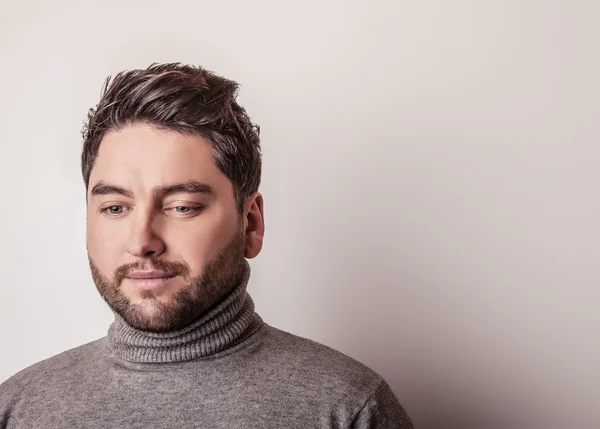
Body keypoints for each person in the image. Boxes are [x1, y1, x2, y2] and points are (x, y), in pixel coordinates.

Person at [0, 63, 413, 428]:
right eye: (114, 207)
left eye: (182, 207)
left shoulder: (348, 407)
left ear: (250, 223)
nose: (142, 242)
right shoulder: (16, 409)